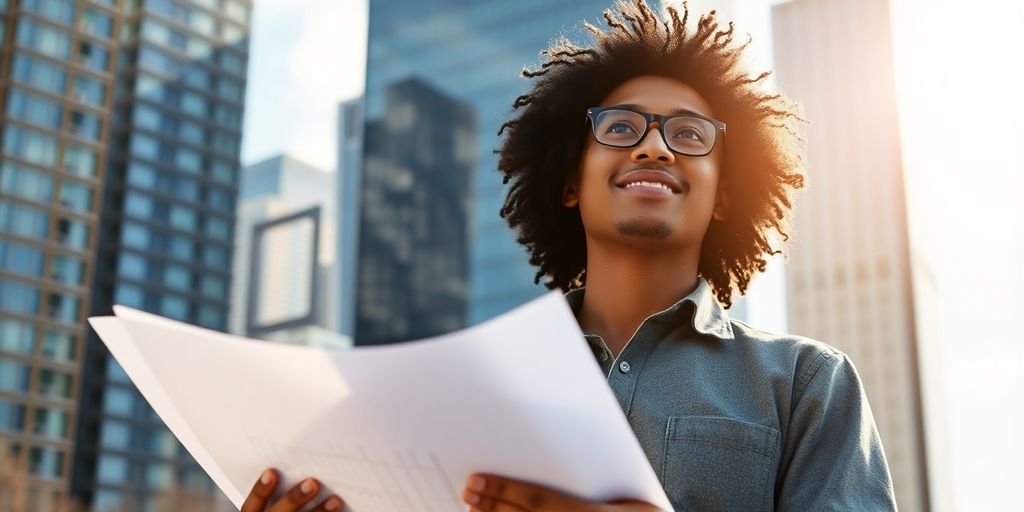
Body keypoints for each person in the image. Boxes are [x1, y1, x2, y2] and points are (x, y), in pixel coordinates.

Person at [241, 1, 897, 511]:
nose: (654, 148)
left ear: (725, 195)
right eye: (620, 127)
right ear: (567, 179)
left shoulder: (807, 384)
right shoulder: (460, 384)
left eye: (689, 134)